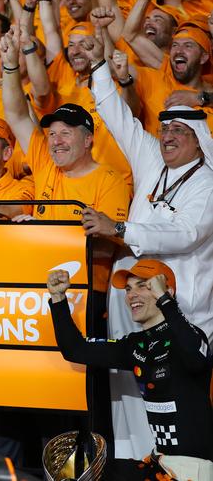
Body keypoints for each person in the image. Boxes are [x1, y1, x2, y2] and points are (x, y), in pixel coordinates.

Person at [87, 27, 213, 460]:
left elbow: (185, 234)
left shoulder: (208, 184)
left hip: (185, 316)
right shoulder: (151, 161)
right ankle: (131, 466)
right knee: (128, 403)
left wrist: (120, 231)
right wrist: (100, 62)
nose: (168, 136)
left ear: (200, 138)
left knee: (173, 416)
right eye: (165, 128)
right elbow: (115, 116)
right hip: (135, 308)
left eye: (180, 130)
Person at [47, 261, 213, 480]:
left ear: (166, 291)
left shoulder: (190, 337)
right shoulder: (135, 345)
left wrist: (166, 301)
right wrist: (58, 300)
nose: (131, 295)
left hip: (195, 468)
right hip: (162, 463)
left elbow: (196, 358)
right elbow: (75, 350)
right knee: (83, 470)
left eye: (143, 286)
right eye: (128, 289)